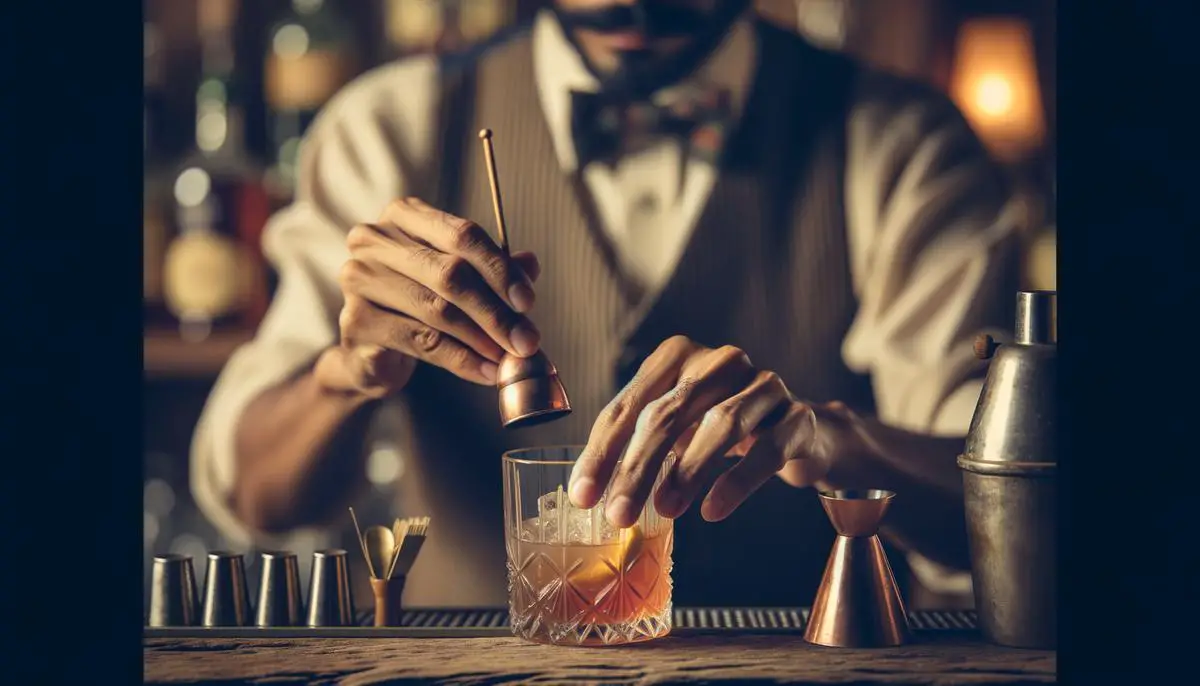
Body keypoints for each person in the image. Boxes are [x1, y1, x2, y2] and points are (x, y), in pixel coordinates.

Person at [191, 0, 1019, 607]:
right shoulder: (390, 125)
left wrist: (835, 439)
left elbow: (1011, 530)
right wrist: (347, 374)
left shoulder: (901, 143)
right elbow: (258, 501)